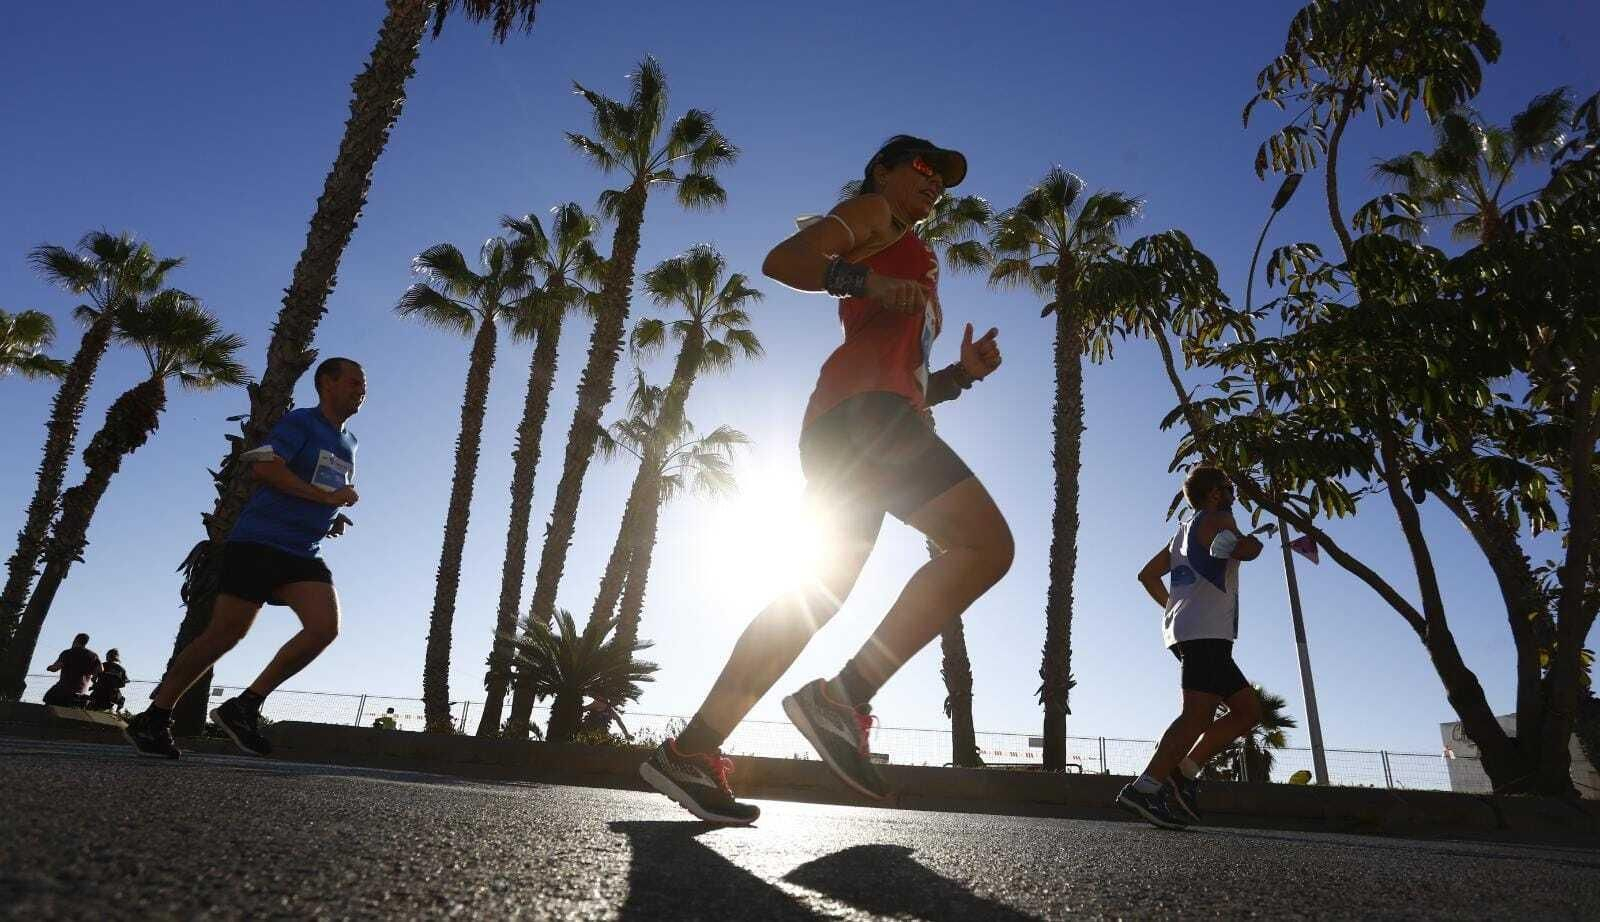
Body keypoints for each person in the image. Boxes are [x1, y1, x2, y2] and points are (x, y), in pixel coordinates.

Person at [639, 136, 1010, 824]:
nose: (933, 185)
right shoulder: (873, 214)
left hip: (861, 422)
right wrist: (862, 278)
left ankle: (693, 748)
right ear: (884, 171)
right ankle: (844, 696)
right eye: (922, 170)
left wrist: (963, 376)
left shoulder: (910, 253)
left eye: (942, 181)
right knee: (985, 548)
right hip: (866, 419)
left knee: (812, 598)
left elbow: (912, 381)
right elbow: (786, 261)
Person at [123, 357, 364, 759]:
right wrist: (324, 498)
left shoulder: (351, 442)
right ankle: (155, 716)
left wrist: (330, 513)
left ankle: (244, 706)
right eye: (354, 382)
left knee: (324, 627)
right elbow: (266, 469)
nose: (362, 390)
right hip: (259, 541)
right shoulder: (300, 423)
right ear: (326, 383)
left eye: (364, 385)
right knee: (224, 634)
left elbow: (321, 484)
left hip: (303, 551)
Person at [1117, 465, 1265, 829]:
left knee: (1247, 712)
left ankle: (1183, 774)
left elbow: (1146, 575)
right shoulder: (1220, 517)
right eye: (1227, 487)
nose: (1232, 493)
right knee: (1197, 714)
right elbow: (1244, 551)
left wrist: (1173, 605)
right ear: (1214, 494)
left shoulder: (1181, 532)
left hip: (1190, 630)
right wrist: (1254, 543)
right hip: (1205, 632)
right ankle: (1145, 787)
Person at [42, 632, 101, 708]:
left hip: (63, 690)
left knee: (48, 697)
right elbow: (100, 669)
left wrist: (49, 668)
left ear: (75, 640)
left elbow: (55, 668)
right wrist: (94, 677)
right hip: (81, 692)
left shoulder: (68, 653)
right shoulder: (93, 655)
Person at [88, 648, 129, 712]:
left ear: (107, 656)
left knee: (89, 709)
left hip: (98, 693)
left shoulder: (102, 665)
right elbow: (124, 683)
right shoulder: (121, 669)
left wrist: (95, 683)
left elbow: (93, 679)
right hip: (112, 696)